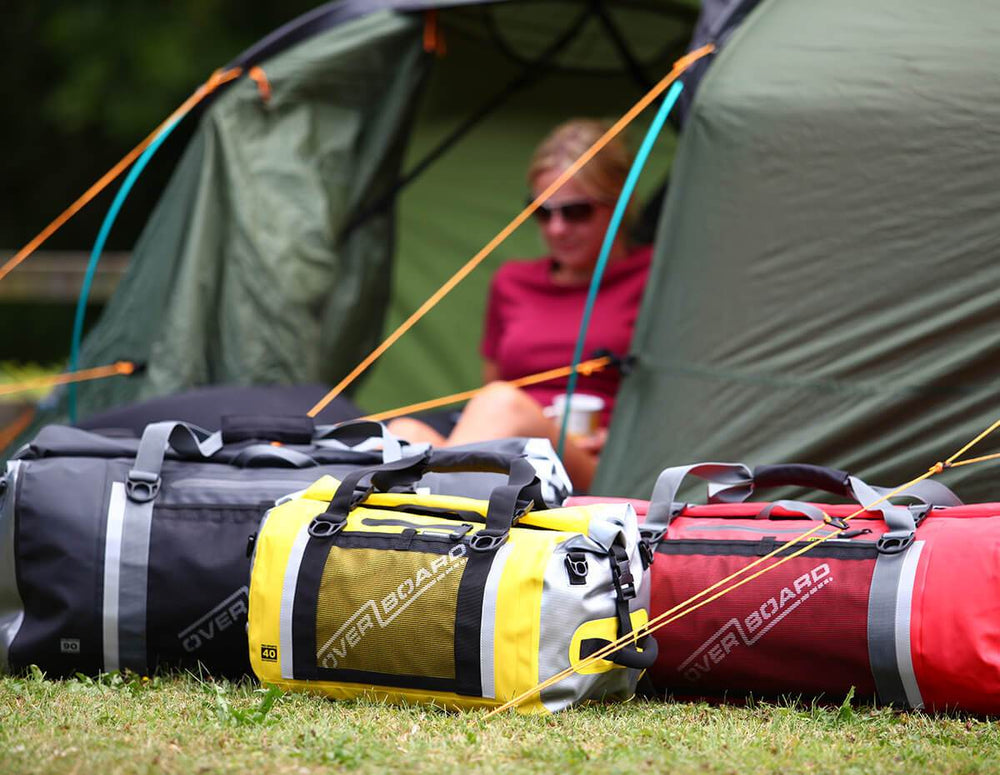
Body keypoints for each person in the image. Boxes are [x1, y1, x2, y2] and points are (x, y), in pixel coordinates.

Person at [389, 119, 652, 491]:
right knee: (403, 432)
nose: (556, 228)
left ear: (620, 203)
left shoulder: (655, 279)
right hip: (511, 447)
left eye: (576, 211)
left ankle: (437, 505)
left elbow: (687, 397)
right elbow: (493, 383)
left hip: (596, 461)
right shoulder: (513, 282)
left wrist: (622, 438)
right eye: (542, 212)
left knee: (501, 403)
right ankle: (441, 502)